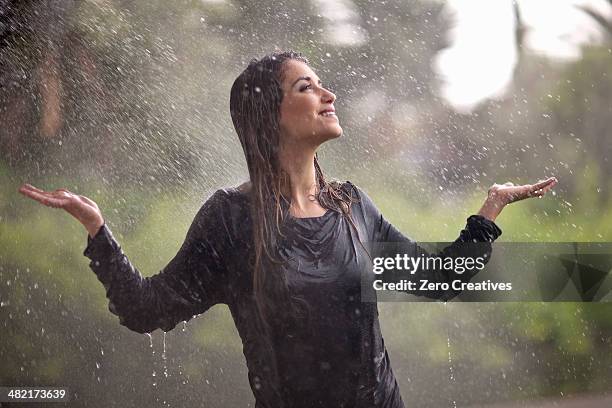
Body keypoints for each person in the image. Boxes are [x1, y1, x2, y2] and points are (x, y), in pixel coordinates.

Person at [19, 50, 558, 408]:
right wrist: (98, 231)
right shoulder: (230, 221)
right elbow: (145, 309)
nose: (329, 95)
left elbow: (439, 281)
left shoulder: (352, 207)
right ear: (268, 113)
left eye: (322, 85)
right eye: (307, 87)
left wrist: (488, 213)